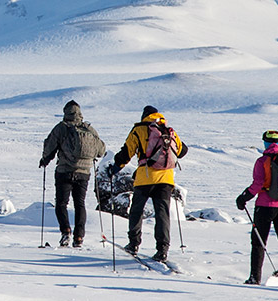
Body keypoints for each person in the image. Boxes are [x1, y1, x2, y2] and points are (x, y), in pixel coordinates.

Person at [109, 105, 188, 266]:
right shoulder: (167, 129)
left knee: (136, 211)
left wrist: (115, 168)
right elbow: (182, 150)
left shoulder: (139, 130)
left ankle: (133, 244)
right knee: (162, 214)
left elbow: (127, 152)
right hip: (166, 180)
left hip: (145, 178)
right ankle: (162, 249)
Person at [235, 130, 278, 285]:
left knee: (259, 241)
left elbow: (258, 184)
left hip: (265, 206)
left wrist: (243, 197)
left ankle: (255, 277)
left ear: (265, 142)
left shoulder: (263, 161)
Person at [39, 100, 108, 248]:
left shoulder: (61, 128)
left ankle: (66, 231)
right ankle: (79, 237)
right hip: (84, 172)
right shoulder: (89, 129)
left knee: (61, 203)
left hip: (64, 171)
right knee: (80, 204)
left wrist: (45, 160)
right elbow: (101, 150)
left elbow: (50, 146)